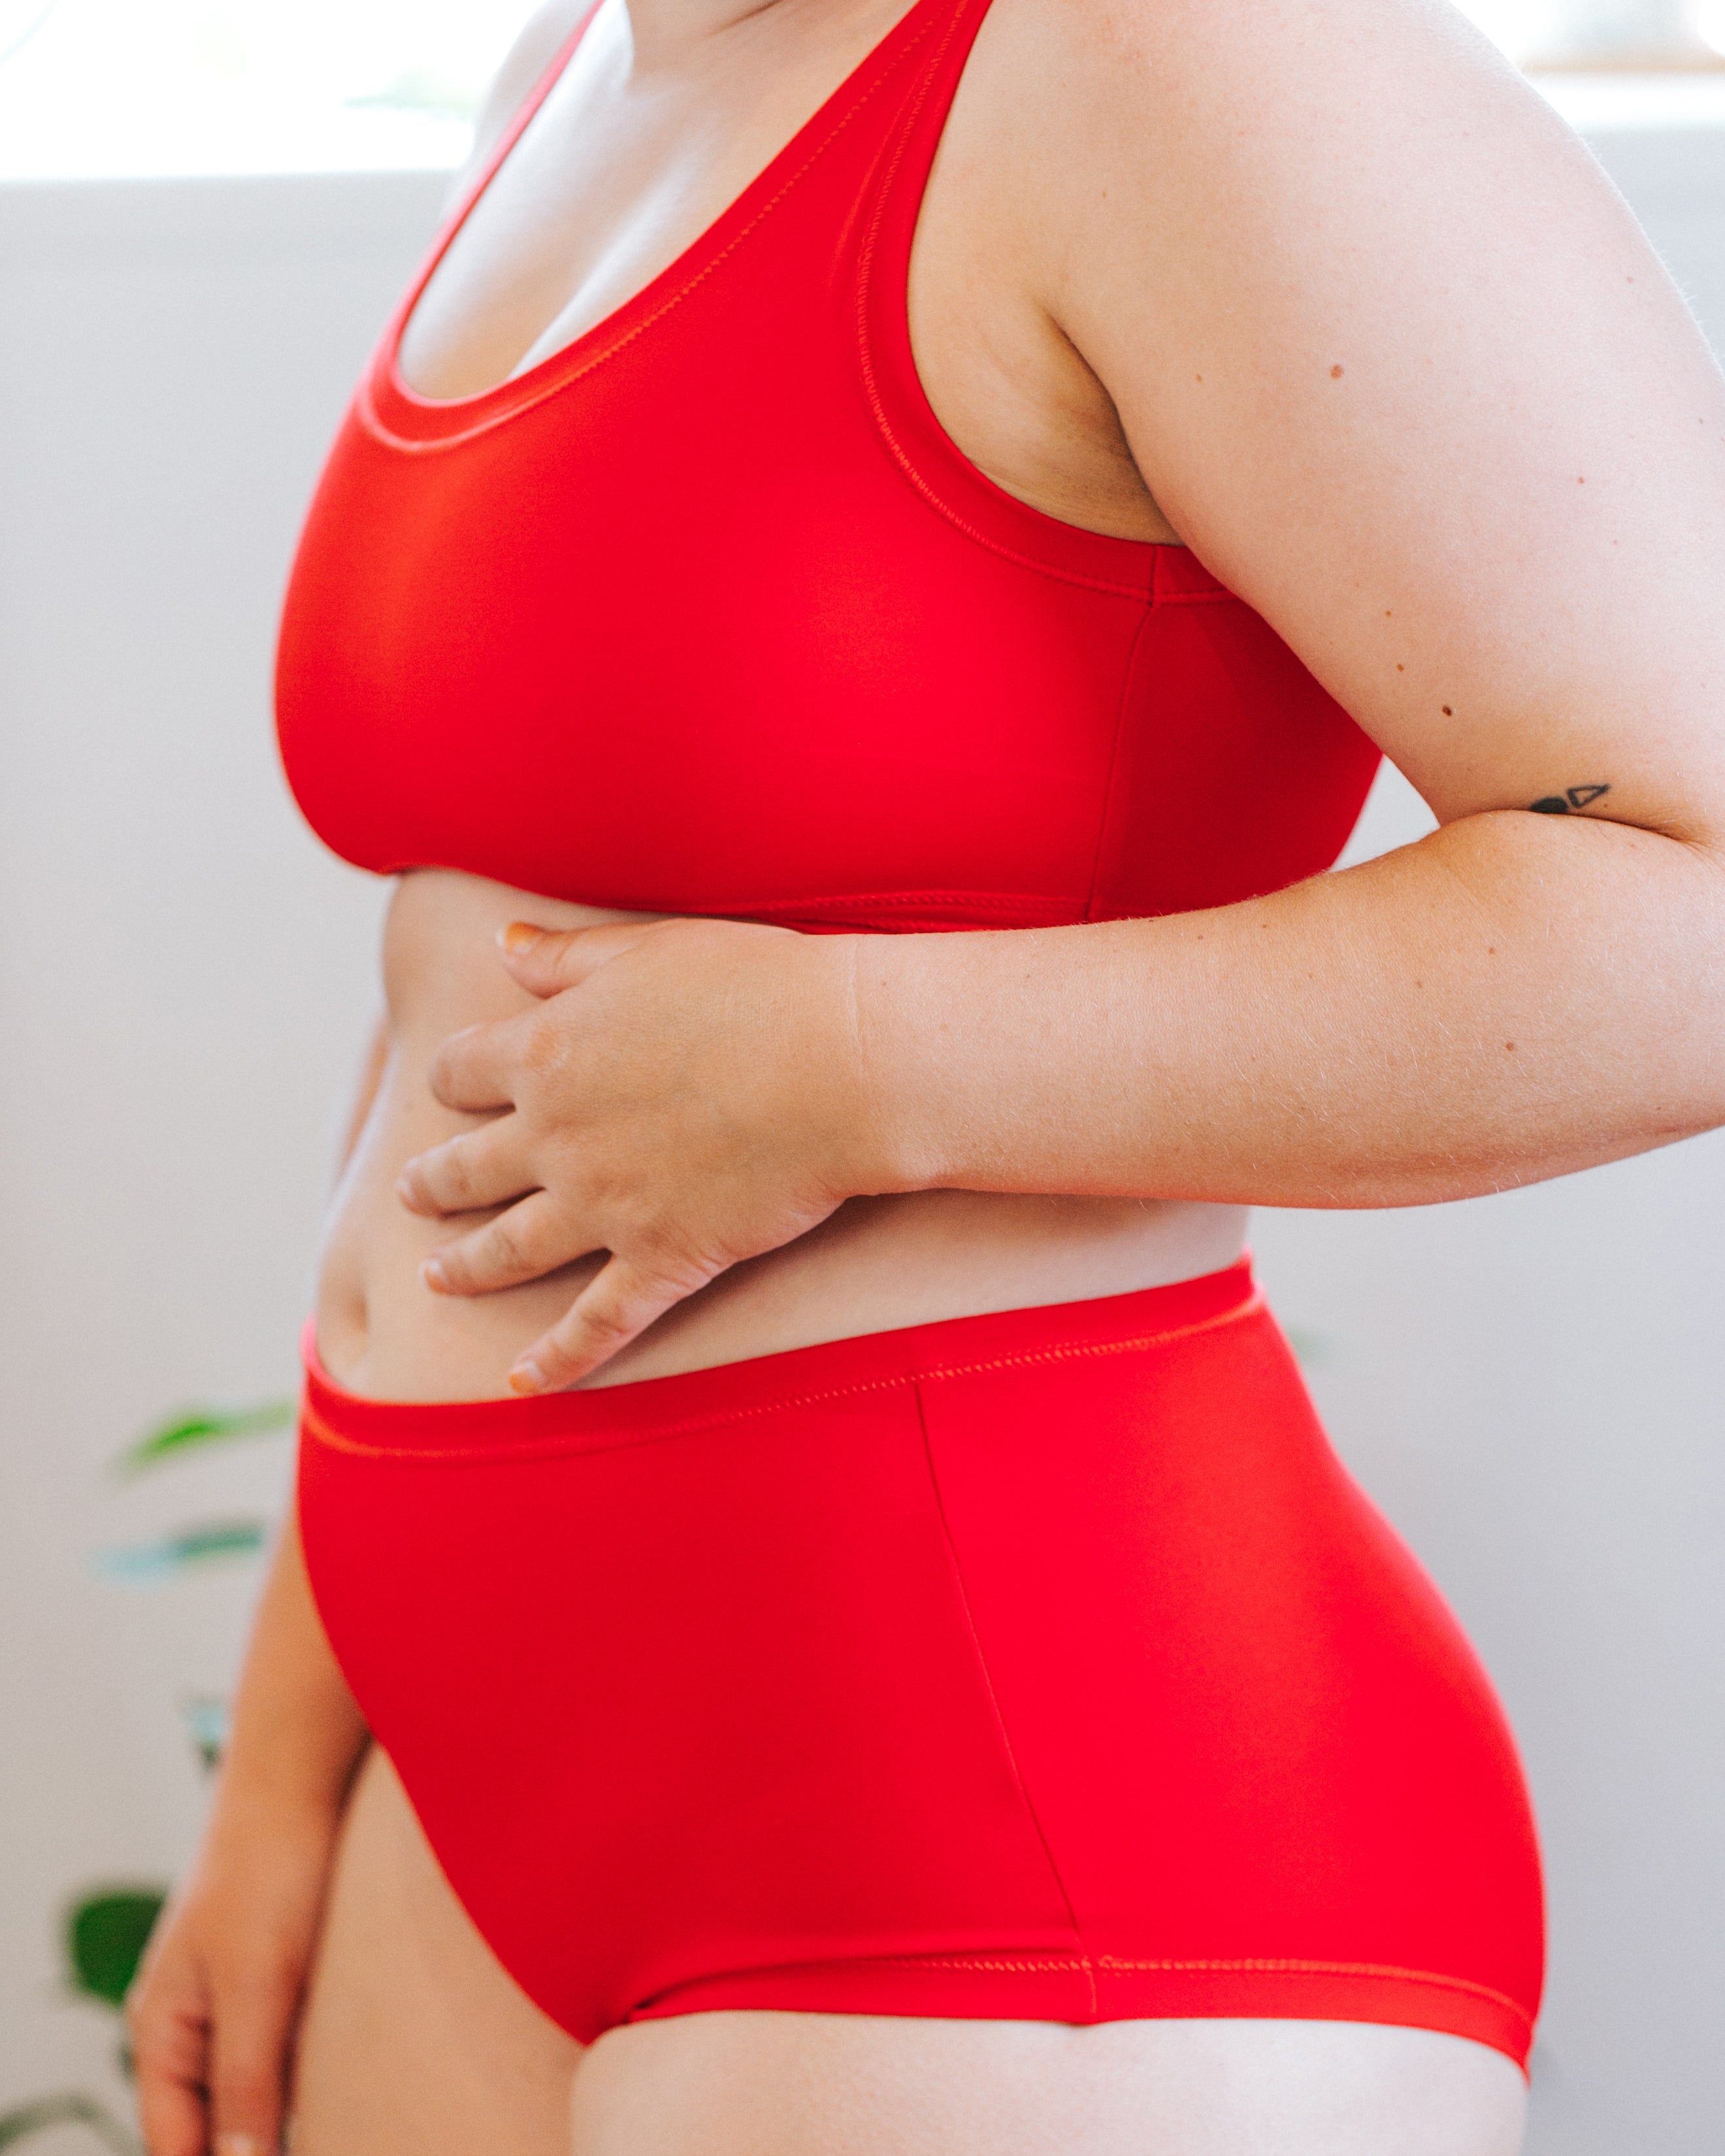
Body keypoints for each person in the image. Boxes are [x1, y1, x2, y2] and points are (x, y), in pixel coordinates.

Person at [124, 0, 1725, 2147]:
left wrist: (861, 1060)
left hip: (1020, 1851)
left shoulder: (1188, 57)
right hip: (460, 1791)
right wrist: (287, 1769)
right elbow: (474, 1007)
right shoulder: (587, 62)